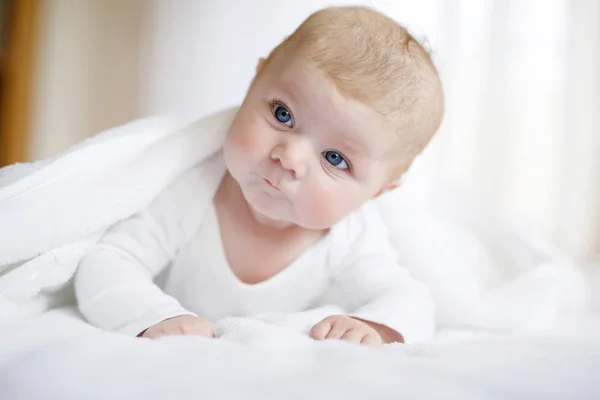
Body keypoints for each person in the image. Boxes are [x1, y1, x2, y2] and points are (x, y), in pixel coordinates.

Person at [75, 6, 444, 346]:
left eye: (335, 158)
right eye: (282, 114)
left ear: (379, 191)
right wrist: (158, 316)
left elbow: (410, 300)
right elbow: (109, 260)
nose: (289, 158)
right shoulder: (195, 189)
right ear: (256, 80)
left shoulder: (350, 236)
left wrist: (373, 328)